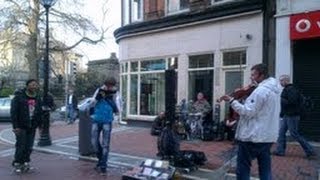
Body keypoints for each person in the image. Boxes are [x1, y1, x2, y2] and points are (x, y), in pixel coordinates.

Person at [219, 63, 281, 180]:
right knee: (265, 167)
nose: (251, 77)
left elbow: (248, 111)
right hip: (267, 136)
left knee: (243, 166)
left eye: (253, 75)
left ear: (261, 75)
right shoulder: (275, 90)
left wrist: (232, 100)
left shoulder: (260, 91)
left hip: (254, 136)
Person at [273, 74, 315, 158]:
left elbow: (293, 102)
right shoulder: (287, 89)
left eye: (281, 81)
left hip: (292, 115)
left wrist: (283, 100)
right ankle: (280, 150)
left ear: (286, 81)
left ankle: (310, 150)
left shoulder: (291, 89)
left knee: (294, 134)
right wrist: (282, 113)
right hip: (287, 115)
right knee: (281, 132)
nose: (280, 82)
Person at [10, 79, 42, 173]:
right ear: (27, 85)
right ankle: (17, 163)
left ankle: (25, 162)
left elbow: (39, 112)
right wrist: (15, 126)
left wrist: (40, 124)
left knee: (29, 146)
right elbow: (14, 112)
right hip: (21, 125)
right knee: (21, 145)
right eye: (32, 85)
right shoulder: (19, 96)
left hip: (32, 125)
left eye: (36, 85)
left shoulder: (37, 97)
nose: (34, 87)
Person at [90, 78, 118, 176]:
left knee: (105, 144)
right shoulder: (99, 90)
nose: (109, 87)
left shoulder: (115, 93)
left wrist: (114, 114)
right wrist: (98, 97)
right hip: (96, 119)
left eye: (111, 86)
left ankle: (103, 166)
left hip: (107, 120)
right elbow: (92, 103)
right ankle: (101, 160)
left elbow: (117, 106)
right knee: (94, 142)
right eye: (108, 85)